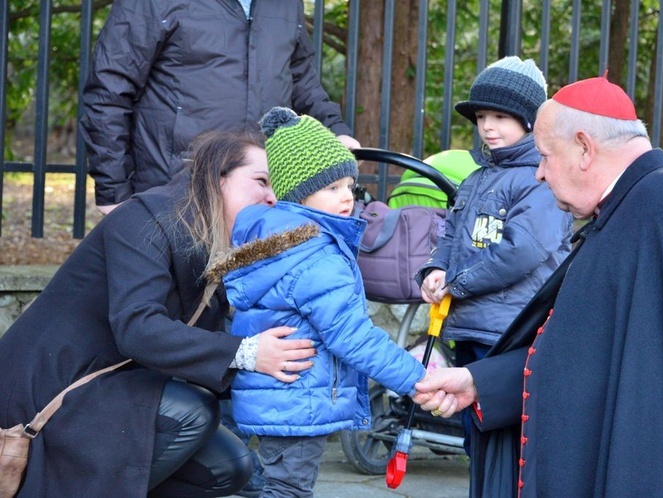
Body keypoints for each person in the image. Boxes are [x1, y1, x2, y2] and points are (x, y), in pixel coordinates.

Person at [413, 75, 663, 497]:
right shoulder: (628, 207)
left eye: (545, 156)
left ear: (585, 149)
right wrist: (481, 382)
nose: (538, 174)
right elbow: (582, 351)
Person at [0, 131, 319, 496]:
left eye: (277, 188)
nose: (272, 197)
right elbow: (138, 328)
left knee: (231, 465)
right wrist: (245, 353)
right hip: (47, 393)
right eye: (261, 181)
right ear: (218, 178)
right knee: (192, 413)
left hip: (110, 390)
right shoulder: (145, 219)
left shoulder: (213, 238)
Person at [206, 107, 426, 497]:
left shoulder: (276, 240)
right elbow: (352, 337)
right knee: (288, 490)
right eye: (331, 188)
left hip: (277, 395)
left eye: (348, 186)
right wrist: (416, 379)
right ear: (298, 192)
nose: (346, 197)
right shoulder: (315, 255)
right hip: (299, 396)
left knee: (271, 484)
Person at [415, 56, 572, 454]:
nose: (487, 126)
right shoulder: (476, 177)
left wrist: (459, 283)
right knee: (476, 439)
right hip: (470, 324)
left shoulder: (540, 177)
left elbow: (522, 251)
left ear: (529, 122)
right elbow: (450, 232)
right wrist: (436, 269)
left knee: (510, 440)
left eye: (500, 116)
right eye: (482, 116)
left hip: (511, 329)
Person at [80, 0, 360, 216]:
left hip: (263, 196)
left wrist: (335, 129)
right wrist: (113, 193)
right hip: (174, 195)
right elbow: (109, 90)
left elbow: (300, 79)